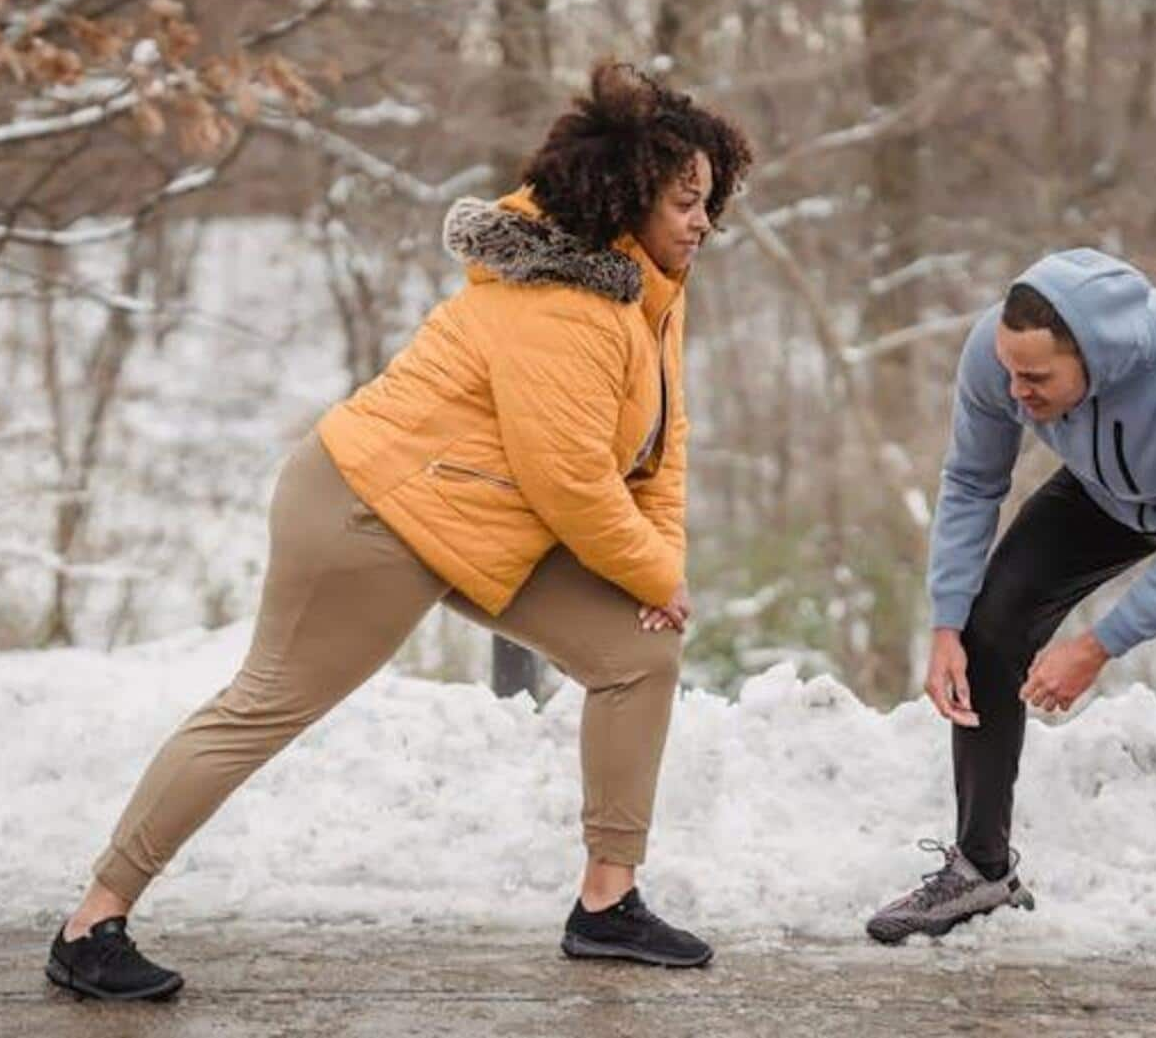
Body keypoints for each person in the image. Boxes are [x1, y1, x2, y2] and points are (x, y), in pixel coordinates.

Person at [45, 61, 753, 1000]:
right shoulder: (565, 307)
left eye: (710, 199)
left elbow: (662, 448)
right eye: (684, 200)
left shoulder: (645, 290)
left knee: (637, 656)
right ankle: (92, 919)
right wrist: (654, 572)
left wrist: (656, 570)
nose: (703, 220)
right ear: (625, 198)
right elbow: (573, 479)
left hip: (477, 517)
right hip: (368, 509)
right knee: (265, 705)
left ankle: (606, 902)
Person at [865, 248, 1156, 1007]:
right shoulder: (1001, 351)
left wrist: (1098, 641)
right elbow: (975, 480)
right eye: (1011, 373)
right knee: (991, 622)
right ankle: (983, 869)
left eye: (1036, 380)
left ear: (1097, 360)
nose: (1016, 390)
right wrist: (945, 620)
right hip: (1114, 489)